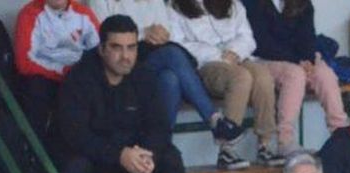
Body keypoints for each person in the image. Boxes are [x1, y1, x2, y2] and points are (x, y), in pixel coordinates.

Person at [56, 15, 191, 173]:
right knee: (75, 167)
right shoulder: (80, 78)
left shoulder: (144, 76)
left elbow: (160, 127)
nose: (125, 56)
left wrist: (148, 154)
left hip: (133, 159)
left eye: (131, 48)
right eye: (117, 48)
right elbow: (76, 135)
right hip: (96, 160)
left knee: (170, 157)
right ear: (102, 49)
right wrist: (119, 154)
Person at [89, 0, 244, 154]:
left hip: (153, 61)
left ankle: (159, 148)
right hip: (120, 64)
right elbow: (102, 36)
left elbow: (166, 32)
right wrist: (143, 34)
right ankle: (214, 119)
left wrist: (158, 35)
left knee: (170, 79)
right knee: (172, 55)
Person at [168, 0, 279, 170]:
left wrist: (234, 52)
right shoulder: (176, 6)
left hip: (237, 58)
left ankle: (265, 145)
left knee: (263, 76)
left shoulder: (233, 4)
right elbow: (177, 45)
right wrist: (217, 55)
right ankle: (227, 149)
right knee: (241, 77)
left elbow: (247, 37)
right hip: (205, 65)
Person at [242, 0, 347, 159]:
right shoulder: (252, 3)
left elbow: (307, 37)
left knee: (325, 75)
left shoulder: (303, 3)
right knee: (295, 74)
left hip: (298, 60)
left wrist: (308, 60)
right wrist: (297, 61)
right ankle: (285, 140)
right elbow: (261, 43)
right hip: (264, 60)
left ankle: (341, 136)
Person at [13, 0, 102, 136]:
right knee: (35, 88)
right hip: (47, 79)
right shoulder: (29, 14)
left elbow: (102, 51)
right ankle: (35, 152)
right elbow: (24, 62)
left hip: (79, 77)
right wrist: (63, 72)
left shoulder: (84, 13)